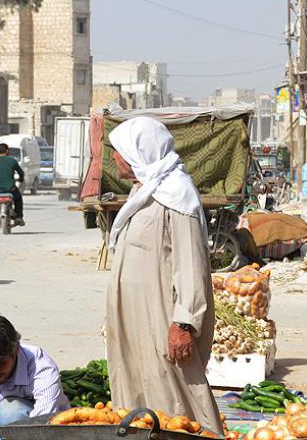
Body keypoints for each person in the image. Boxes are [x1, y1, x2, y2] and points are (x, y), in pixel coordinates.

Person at [104, 117, 224, 435]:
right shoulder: (144, 192)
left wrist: (183, 323)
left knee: (177, 393)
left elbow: (191, 265)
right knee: (137, 390)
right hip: (135, 318)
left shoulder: (176, 196)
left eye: (119, 151)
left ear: (137, 153)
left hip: (163, 318)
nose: (113, 157)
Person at [0, 144, 25, 226]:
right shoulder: (12, 161)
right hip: (11, 188)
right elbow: (21, 173)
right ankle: (18, 216)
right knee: (18, 198)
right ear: (7, 151)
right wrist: (21, 180)